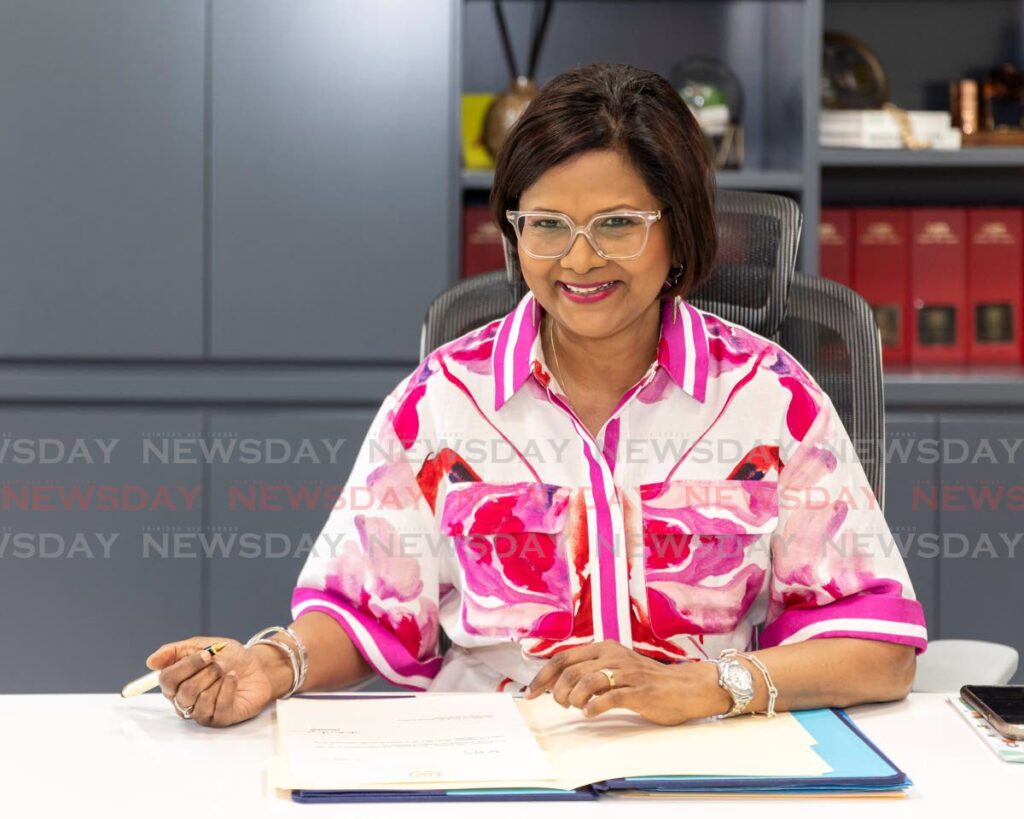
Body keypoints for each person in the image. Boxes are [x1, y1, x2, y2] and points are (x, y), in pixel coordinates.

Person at [147, 63, 927, 729]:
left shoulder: (771, 397)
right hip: (483, 763)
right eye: (546, 224)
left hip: (699, 761)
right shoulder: (441, 403)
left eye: (618, 223)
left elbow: (879, 648)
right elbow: (365, 612)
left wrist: (710, 685)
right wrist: (270, 663)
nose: (579, 260)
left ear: (680, 233)